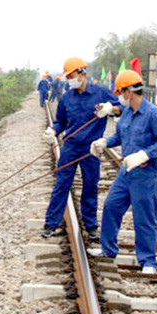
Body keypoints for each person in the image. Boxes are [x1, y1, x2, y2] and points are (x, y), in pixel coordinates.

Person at [88, 70, 157, 274]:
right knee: (111, 206)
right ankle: (108, 249)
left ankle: (148, 261)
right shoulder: (126, 113)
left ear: (130, 92)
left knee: (144, 217)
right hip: (126, 173)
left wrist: (145, 154)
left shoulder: (152, 114)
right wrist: (104, 142)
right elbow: (119, 136)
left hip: (145, 173)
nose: (118, 96)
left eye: (120, 92)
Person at [42, 57, 122, 240]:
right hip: (70, 147)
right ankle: (50, 224)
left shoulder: (101, 93)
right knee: (61, 184)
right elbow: (60, 121)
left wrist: (110, 108)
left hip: (91, 148)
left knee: (90, 186)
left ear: (82, 73)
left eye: (72, 75)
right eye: (68, 76)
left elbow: (122, 107)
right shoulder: (67, 97)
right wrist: (53, 130)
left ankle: (91, 225)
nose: (70, 80)